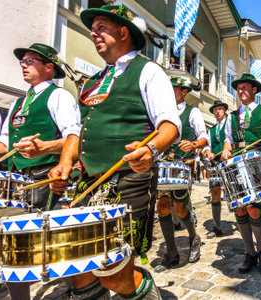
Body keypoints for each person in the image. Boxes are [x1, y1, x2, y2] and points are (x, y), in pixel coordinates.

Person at [49, 5, 181, 299]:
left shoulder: (148, 71)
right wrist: (65, 163)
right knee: (80, 273)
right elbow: (78, 131)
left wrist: (150, 148)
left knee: (115, 276)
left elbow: (170, 123)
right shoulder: (94, 80)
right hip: (87, 182)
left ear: (123, 32)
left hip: (127, 179)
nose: (93, 33)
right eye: (92, 28)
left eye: (101, 26)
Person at [0, 43, 81, 299]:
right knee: (14, 248)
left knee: (56, 243)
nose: (23, 64)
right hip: (18, 183)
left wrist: (45, 147)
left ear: (48, 66)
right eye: (22, 61)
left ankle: (73, 288)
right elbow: (4, 143)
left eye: (30, 60)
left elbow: (74, 138)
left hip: (48, 179)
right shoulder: (18, 104)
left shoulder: (59, 96)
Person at [221, 74, 261, 274]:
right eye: (239, 88)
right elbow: (228, 140)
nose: (241, 91)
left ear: (254, 90)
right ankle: (250, 253)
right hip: (236, 167)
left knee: (254, 209)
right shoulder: (231, 117)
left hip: (256, 165)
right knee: (240, 209)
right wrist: (225, 150)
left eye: (245, 87)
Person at [154, 77, 208, 272]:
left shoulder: (192, 112)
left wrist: (194, 144)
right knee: (162, 207)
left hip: (182, 165)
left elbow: (204, 137)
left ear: (184, 92)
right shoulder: (160, 112)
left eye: (174, 89)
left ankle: (193, 237)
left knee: (180, 208)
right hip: (161, 166)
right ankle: (171, 252)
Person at [204, 100, 229, 238]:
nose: (218, 111)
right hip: (215, 163)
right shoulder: (212, 130)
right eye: (215, 109)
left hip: (229, 162)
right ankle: (217, 226)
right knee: (215, 192)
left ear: (224, 111)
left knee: (234, 192)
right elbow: (207, 146)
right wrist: (208, 153)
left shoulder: (230, 125)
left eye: (220, 109)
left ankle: (242, 221)